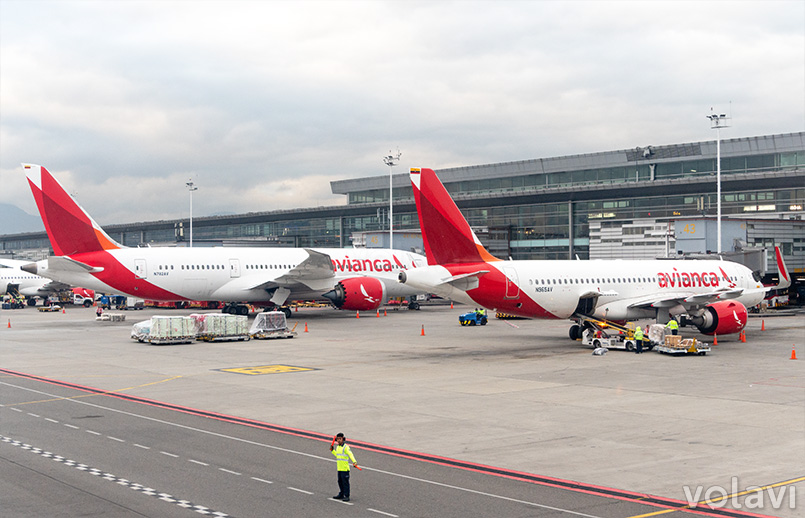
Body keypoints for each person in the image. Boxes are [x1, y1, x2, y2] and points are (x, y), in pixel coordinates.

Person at [330, 432, 358, 502]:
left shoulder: (346, 447)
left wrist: (354, 462)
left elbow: (350, 454)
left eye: (340, 439)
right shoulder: (338, 447)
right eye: (337, 439)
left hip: (345, 469)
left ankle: (346, 495)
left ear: (343, 439)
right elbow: (338, 455)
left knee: (345, 482)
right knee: (340, 481)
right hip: (339, 468)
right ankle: (341, 493)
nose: (339, 440)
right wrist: (332, 450)